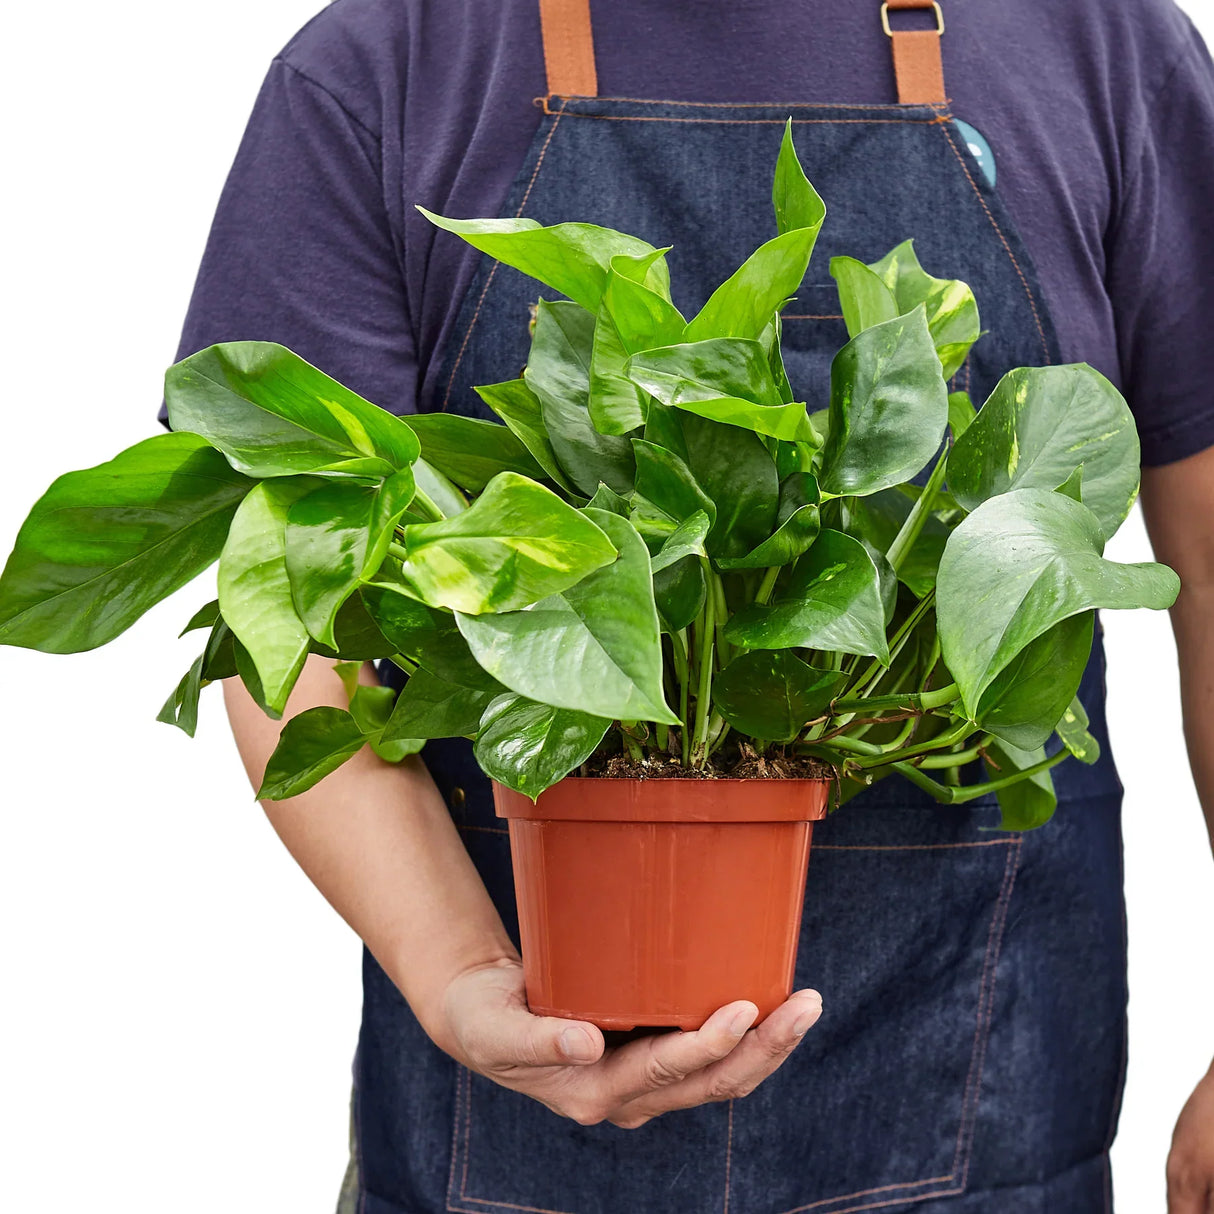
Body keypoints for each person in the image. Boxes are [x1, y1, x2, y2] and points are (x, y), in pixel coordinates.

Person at [170, 0, 1214, 1209]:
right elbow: (291, 615)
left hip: (976, 1114)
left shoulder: (1095, 44)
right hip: (512, 1120)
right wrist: (456, 968)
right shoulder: (392, 60)